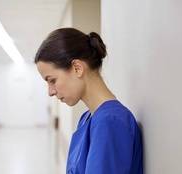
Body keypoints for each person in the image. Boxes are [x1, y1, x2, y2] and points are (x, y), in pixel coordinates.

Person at [34, 28, 143, 174]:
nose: (50, 92)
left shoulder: (110, 122)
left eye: (52, 80)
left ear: (77, 68)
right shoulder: (87, 118)